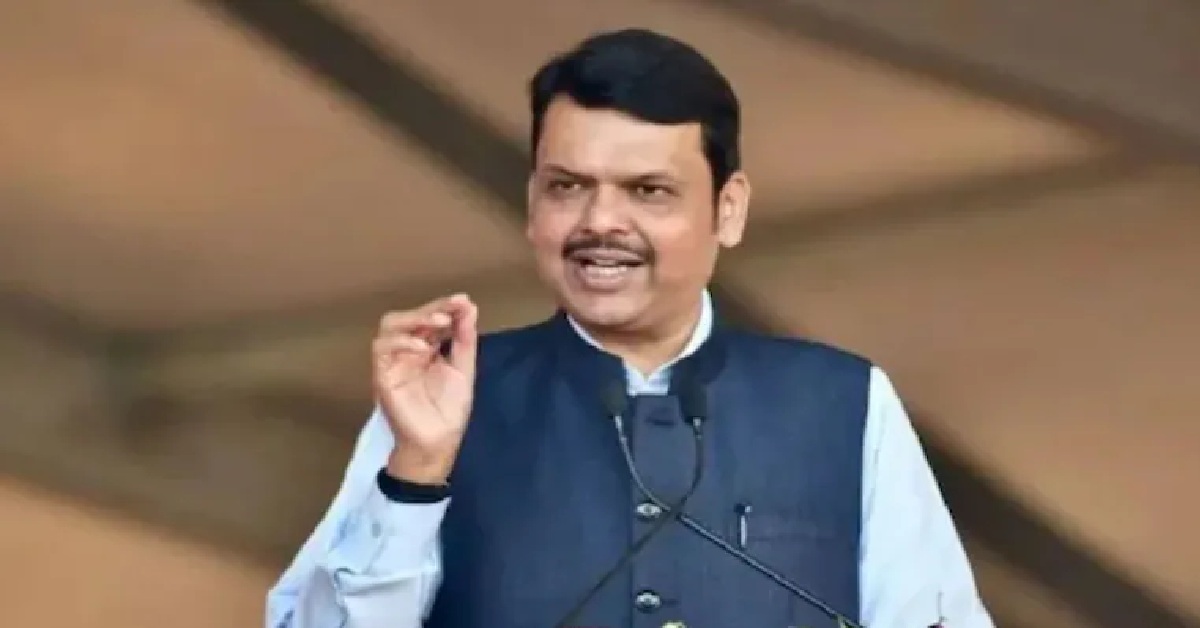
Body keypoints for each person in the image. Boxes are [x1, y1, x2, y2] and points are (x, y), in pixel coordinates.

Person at [267, 28, 993, 628]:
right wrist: (417, 474)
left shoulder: (842, 401)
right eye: (568, 186)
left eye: (648, 191)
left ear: (729, 209)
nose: (600, 223)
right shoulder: (445, 395)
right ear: (533, 202)